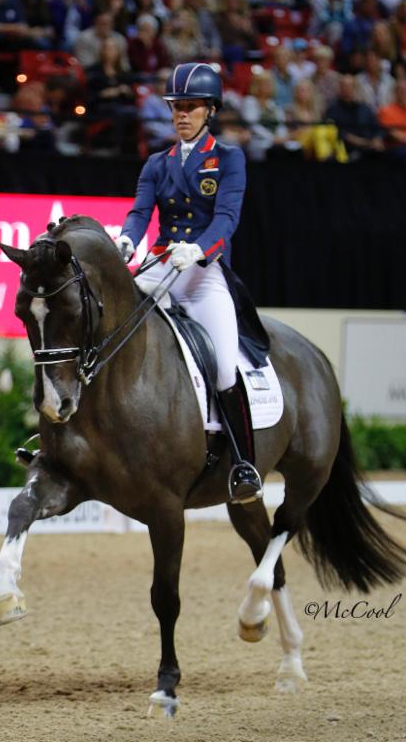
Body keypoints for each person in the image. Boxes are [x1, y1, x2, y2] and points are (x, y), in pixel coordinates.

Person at [114, 62, 269, 504]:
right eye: (176, 107)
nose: (182, 114)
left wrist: (198, 250)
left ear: (210, 110)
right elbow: (141, 211)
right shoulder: (156, 163)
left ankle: (244, 465)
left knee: (223, 366)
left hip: (203, 275)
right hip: (162, 265)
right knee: (111, 328)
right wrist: (128, 239)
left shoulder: (229, 159)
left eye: (191, 107)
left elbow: (226, 219)